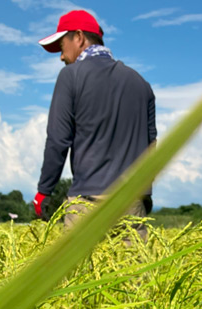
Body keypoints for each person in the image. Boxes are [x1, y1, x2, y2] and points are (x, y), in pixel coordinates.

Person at [33, 10, 156, 240]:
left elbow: (58, 140)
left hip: (86, 205)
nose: (61, 57)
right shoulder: (141, 84)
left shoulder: (71, 76)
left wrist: (44, 191)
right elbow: (151, 147)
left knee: (81, 276)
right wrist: (144, 195)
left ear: (78, 37)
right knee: (132, 275)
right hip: (131, 207)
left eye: (61, 46)